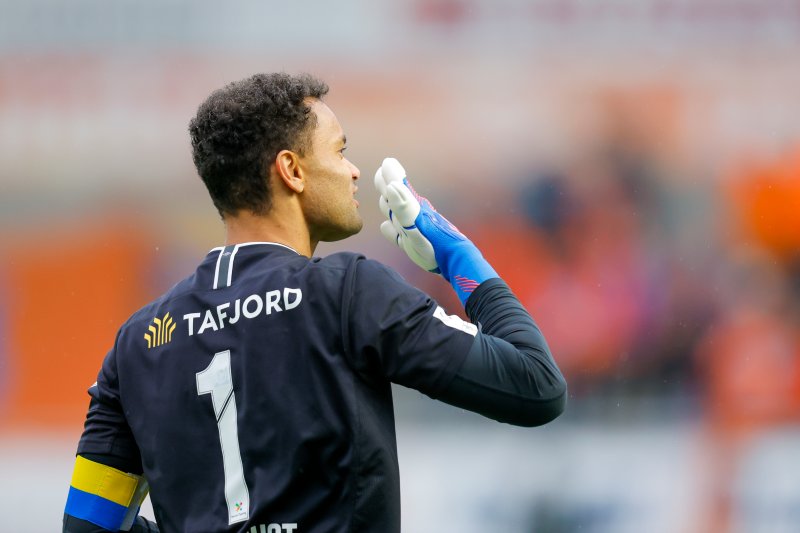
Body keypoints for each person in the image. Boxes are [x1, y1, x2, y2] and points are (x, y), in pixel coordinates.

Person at [62, 72, 567, 533]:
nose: (353, 171)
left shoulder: (139, 341)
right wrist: (458, 255)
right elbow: (535, 384)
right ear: (292, 171)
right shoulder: (347, 292)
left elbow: (88, 526)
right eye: (339, 150)